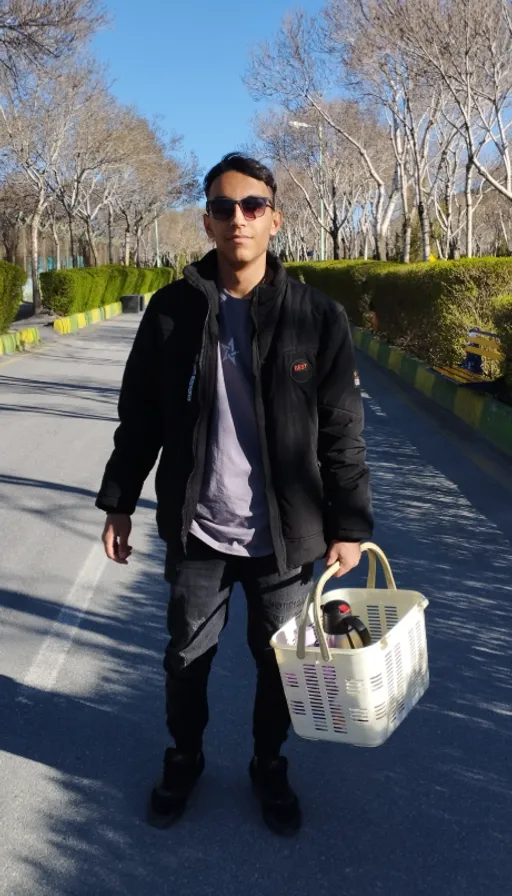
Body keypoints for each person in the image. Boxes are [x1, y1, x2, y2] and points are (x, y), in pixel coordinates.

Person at [96, 153, 373, 836]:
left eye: (253, 206)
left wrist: (350, 525)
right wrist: (119, 501)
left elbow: (341, 429)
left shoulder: (318, 317)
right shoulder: (171, 311)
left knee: (281, 665)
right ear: (208, 220)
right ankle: (184, 756)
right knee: (186, 659)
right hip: (199, 529)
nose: (238, 219)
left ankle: (268, 764)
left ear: (275, 217)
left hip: (286, 535)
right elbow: (142, 415)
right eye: (223, 207)